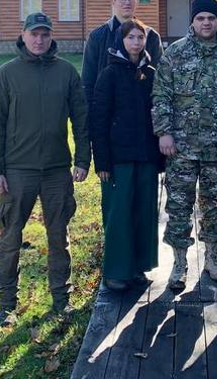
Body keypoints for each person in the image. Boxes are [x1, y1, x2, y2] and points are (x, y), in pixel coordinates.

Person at [0, 12, 90, 326]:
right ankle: (6, 306)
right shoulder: (7, 74)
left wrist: (83, 159)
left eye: (45, 34)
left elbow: (81, 120)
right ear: (24, 35)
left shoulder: (66, 72)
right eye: (34, 34)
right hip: (17, 171)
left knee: (59, 236)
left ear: (51, 37)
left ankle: (61, 299)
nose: (39, 40)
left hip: (57, 170)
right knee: (10, 238)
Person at [152, 0, 217, 290]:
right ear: (192, 21)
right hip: (182, 147)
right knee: (179, 206)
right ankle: (179, 262)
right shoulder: (175, 54)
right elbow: (160, 95)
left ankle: (213, 258)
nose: (206, 23)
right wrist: (164, 132)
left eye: (211, 18)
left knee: (216, 204)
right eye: (201, 18)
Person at [89, 19, 163, 291]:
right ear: (122, 41)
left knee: (143, 212)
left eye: (139, 38)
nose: (135, 42)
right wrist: (102, 161)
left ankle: (138, 267)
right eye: (130, 37)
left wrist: (159, 156)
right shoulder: (109, 74)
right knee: (119, 213)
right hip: (118, 159)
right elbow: (99, 119)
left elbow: (160, 113)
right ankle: (116, 271)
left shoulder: (151, 73)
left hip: (145, 156)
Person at [82, 0, 163, 108]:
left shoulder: (151, 37)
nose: (127, 2)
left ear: (137, 1)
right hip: (107, 111)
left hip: (142, 111)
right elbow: (88, 82)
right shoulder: (97, 37)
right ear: (113, 2)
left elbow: (161, 81)